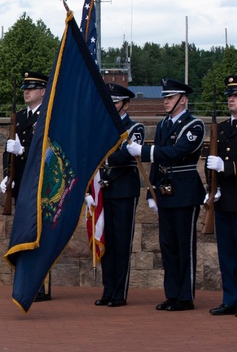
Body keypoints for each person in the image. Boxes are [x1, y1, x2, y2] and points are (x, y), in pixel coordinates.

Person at [127, 78, 206, 312]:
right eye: (164, 97)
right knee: (168, 246)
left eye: (170, 97)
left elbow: (176, 152)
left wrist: (144, 151)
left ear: (183, 99)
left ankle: (185, 296)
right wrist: (152, 191)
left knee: (184, 245)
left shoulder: (194, 126)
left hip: (185, 191)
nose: (165, 101)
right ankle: (172, 295)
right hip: (165, 191)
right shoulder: (163, 126)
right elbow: (158, 163)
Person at [204, 76, 237, 317]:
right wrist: (212, 187)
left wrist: (225, 166)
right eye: (229, 95)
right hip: (224, 200)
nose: (231, 99)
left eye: (236, 95)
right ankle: (230, 299)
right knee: (226, 254)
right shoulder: (223, 128)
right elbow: (210, 163)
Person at [0, 70, 52, 301]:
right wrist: (7, 176)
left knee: (39, 235)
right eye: (25, 88)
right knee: (23, 232)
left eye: (31, 88)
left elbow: (50, 153)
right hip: (21, 184)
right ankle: (26, 282)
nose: (26, 92)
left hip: (40, 185)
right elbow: (8, 150)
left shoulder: (48, 117)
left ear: (43, 91)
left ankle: (41, 286)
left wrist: (23, 152)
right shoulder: (20, 117)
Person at [91, 83, 144, 308]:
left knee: (121, 243)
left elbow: (124, 157)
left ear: (125, 104)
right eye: (109, 102)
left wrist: (103, 155)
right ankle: (108, 290)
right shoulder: (102, 127)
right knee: (107, 241)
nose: (111, 106)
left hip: (123, 190)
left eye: (115, 102)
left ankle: (119, 293)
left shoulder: (135, 128)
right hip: (104, 189)